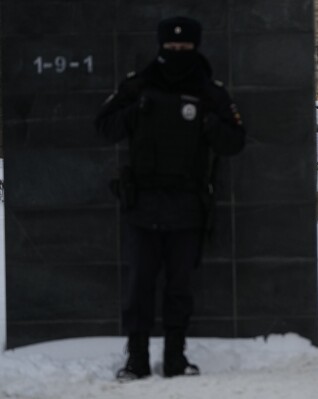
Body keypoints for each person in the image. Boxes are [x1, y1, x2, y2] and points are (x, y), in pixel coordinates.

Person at [95, 16, 245, 381]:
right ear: (161, 46)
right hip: (142, 204)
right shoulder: (140, 85)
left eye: (184, 48)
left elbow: (235, 141)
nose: (177, 53)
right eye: (171, 47)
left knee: (180, 288)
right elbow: (104, 126)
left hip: (187, 206)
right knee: (139, 287)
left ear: (195, 47)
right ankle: (137, 360)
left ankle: (175, 358)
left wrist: (211, 126)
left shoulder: (209, 91)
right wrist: (134, 113)